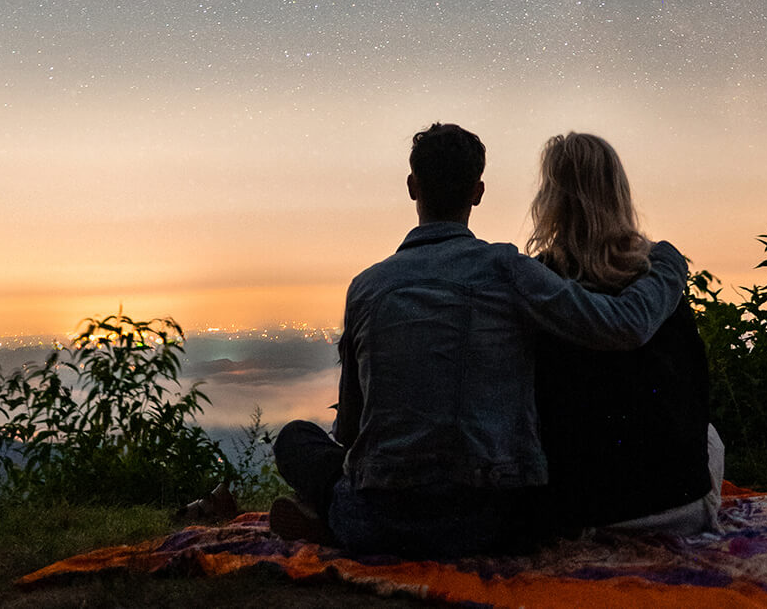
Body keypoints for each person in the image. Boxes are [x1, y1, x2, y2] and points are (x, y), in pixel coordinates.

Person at [271, 122, 689, 558]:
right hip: (498, 523)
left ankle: (327, 518)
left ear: (413, 187)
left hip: (378, 521)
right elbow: (623, 324)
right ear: (478, 191)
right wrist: (667, 267)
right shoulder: (509, 269)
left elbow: (352, 428)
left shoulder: (366, 287)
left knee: (296, 438)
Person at [528, 131, 723, 535]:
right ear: (619, 192)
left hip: (579, 512)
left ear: (550, 200)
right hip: (679, 504)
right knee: (711, 437)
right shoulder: (658, 275)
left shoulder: (540, 284)